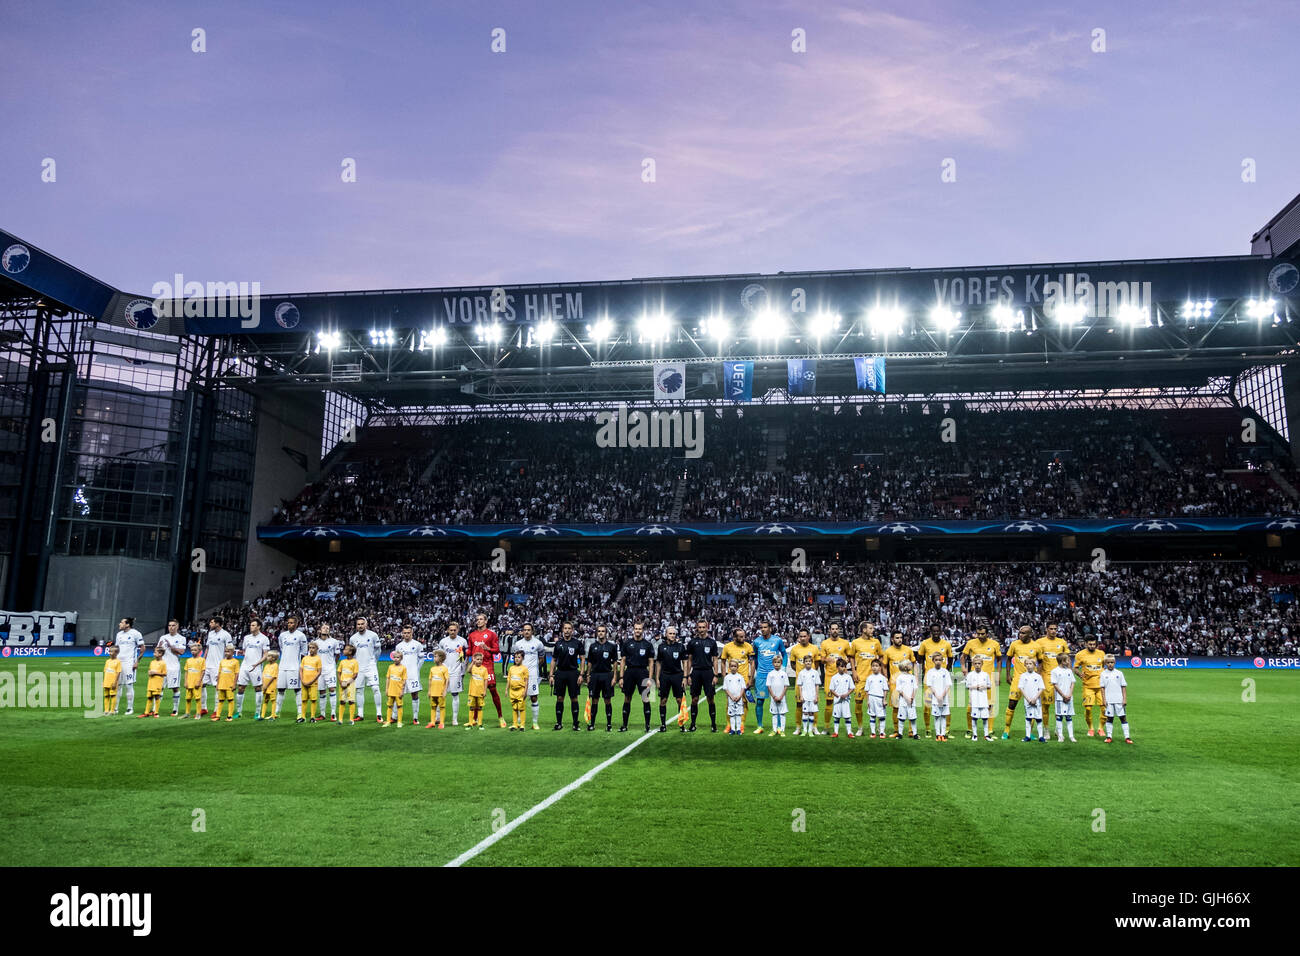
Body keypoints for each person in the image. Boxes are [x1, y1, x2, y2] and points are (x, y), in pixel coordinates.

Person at [961, 624, 1001, 739]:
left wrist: (997, 674)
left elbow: (999, 659)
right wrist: (963, 667)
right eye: (978, 634)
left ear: (987, 633)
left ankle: (990, 730)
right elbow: (963, 656)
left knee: (990, 705)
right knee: (971, 705)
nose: (980, 636)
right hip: (974, 678)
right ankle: (969, 730)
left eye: (982, 634)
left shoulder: (994, 644)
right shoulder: (971, 643)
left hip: (989, 679)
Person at [467, 613, 506, 729]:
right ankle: (474, 719)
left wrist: (488, 648)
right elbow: (470, 650)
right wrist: (462, 652)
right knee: (475, 692)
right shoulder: (472, 635)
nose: (478, 621)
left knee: (493, 689)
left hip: (487, 666)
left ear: (486, 621)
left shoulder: (491, 634)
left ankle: (500, 717)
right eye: (477, 619)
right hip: (475, 666)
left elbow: (497, 650)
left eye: (481, 619)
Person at [1002, 625, 1041, 740]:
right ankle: (1006, 730)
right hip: (1018, 679)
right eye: (1020, 633)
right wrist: (1008, 675)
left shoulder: (1036, 646)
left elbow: (1041, 661)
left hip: (1031, 682)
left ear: (1030, 634)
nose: (1021, 635)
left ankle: (1030, 733)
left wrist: (1038, 675)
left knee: (1031, 706)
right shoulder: (1014, 644)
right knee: (1012, 704)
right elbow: (1008, 659)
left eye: (1024, 633)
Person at [618, 621, 655, 733]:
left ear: (642, 630)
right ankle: (624, 725)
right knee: (627, 698)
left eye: (640, 629)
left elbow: (651, 663)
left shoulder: (648, 645)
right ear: (633, 629)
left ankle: (647, 726)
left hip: (643, 672)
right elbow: (623, 661)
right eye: (636, 628)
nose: (638, 630)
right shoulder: (627, 643)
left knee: (645, 698)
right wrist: (621, 677)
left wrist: (650, 678)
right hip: (629, 672)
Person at [918, 624, 954, 738]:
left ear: (941, 631)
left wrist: (945, 671)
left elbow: (951, 658)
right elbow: (920, 658)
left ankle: (946, 730)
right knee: (928, 704)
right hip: (930, 679)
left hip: (942, 680)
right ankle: (928, 729)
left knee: (945, 704)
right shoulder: (925, 643)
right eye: (934, 631)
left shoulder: (946, 644)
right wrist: (925, 670)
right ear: (931, 632)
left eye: (938, 631)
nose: (936, 633)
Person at [849, 623, 884, 736]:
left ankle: (879, 727)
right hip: (860, 678)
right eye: (870, 628)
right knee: (858, 702)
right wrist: (854, 671)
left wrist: (881, 672)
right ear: (864, 630)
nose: (872, 630)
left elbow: (881, 656)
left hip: (874, 679)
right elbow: (851, 657)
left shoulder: (876, 642)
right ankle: (860, 728)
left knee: (877, 704)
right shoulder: (855, 642)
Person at [751, 619, 785, 735]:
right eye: (761, 627)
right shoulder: (756, 642)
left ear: (770, 628)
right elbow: (754, 657)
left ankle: (778, 727)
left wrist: (783, 667)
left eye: (765, 627)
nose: (763, 629)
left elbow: (784, 654)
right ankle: (760, 726)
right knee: (759, 701)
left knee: (777, 701)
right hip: (761, 676)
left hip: (774, 676)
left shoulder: (777, 640)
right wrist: (757, 670)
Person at [549, 621, 585, 731]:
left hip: (573, 673)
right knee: (560, 698)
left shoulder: (577, 643)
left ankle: (575, 724)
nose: (567, 630)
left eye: (569, 628)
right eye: (565, 628)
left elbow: (583, 658)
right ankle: (559, 723)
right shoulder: (558, 643)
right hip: (560, 673)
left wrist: (581, 674)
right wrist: (551, 675)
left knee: (574, 698)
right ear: (562, 630)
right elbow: (554, 660)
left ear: (572, 630)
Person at [685, 619, 720, 733]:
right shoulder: (692, 642)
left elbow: (715, 659)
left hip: (708, 672)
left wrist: (715, 674)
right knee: (694, 699)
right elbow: (689, 659)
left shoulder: (712, 642)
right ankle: (693, 724)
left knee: (710, 698)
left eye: (703, 627)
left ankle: (713, 724)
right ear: (697, 628)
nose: (701, 629)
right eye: (699, 627)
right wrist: (688, 675)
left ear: (707, 627)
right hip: (695, 672)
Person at [1035, 623, 1069, 736]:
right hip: (1046, 677)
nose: (1053, 631)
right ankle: (1046, 729)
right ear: (1046, 629)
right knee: (1045, 705)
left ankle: (1058, 729)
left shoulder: (1062, 642)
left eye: (1055, 629)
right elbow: (1036, 659)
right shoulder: (1039, 642)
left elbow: (1067, 659)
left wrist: (1068, 673)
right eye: (1051, 629)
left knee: (1060, 704)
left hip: (1061, 678)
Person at [818, 622, 852, 734]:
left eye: (836, 629)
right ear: (829, 630)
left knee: (845, 701)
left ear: (839, 630)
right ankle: (827, 728)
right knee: (829, 702)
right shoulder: (824, 643)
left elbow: (850, 657)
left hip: (843, 677)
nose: (834, 631)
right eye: (832, 629)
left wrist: (847, 662)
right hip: (829, 677)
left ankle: (848, 729)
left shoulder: (845, 643)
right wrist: (826, 660)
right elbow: (821, 659)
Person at [583, 626, 619, 732]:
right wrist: (588, 675)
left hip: (607, 675)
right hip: (595, 676)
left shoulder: (612, 646)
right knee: (594, 700)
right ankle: (592, 724)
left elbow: (615, 662)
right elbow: (589, 662)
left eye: (603, 631)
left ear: (606, 633)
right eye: (599, 631)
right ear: (597, 633)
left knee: (607, 700)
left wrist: (615, 676)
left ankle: (609, 724)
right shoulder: (593, 646)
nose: (601, 633)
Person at [349, 617, 384, 723]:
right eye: (358, 624)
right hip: (358, 668)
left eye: (362, 624)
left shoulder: (373, 635)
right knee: (359, 690)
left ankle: (379, 714)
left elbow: (378, 650)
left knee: (375, 688)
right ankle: (360, 714)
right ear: (356, 625)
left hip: (370, 666)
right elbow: (352, 653)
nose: (360, 626)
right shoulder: (353, 638)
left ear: (366, 624)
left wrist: (373, 661)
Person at [788, 628, 822, 735]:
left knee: (813, 706)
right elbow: (793, 664)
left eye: (804, 636)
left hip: (812, 685)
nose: (802, 638)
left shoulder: (814, 648)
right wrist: (800, 673)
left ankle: (814, 727)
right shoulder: (794, 649)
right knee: (799, 705)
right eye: (800, 636)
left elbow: (816, 664)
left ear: (809, 636)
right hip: (800, 684)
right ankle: (798, 727)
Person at [235, 618, 270, 720]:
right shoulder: (246, 638)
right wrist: (243, 653)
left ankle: (257, 712)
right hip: (245, 666)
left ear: (259, 626)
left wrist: (257, 663)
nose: (251, 627)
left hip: (256, 667)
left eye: (254, 625)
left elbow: (266, 654)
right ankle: (239, 711)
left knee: (258, 688)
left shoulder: (264, 638)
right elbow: (245, 651)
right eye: (251, 625)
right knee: (241, 687)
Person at [654, 625, 686, 732]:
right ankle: (663, 725)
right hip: (665, 676)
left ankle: (682, 725)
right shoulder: (661, 647)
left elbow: (685, 662)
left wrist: (685, 677)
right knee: (663, 700)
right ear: (666, 634)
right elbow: (658, 663)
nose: (672, 635)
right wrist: (657, 678)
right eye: (670, 633)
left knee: (679, 700)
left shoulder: (680, 647)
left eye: (674, 634)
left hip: (677, 675)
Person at [514, 623, 546, 730]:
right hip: (520, 675)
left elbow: (542, 657)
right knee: (519, 698)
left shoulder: (538, 643)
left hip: (532, 675)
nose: (526, 632)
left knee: (533, 697)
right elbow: (516, 659)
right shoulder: (518, 644)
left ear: (532, 631)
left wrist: (535, 668)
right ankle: (518, 721)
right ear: (522, 631)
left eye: (528, 630)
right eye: (524, 630)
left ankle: (535, 722)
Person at [883, 631, 916, 737]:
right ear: (892, 639)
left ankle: (911, 731)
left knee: (910, 705)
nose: (899, 640)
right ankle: (896, 731)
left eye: (901, 637)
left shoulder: (908, 650)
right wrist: (886, 678)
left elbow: (914, 664)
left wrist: (915, 677)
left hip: (908, 685)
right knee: (896, 707)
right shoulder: (888, 651)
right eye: (897, 638)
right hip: (894, 684)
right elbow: (884, 666)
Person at [110, 618, 145, 715]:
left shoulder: (136, 633)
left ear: (127, 624)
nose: (119, 624)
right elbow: (117, 648)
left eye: (121, 622)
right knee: (118, 685)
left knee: (129, 685)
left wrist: (137, 661)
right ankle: (115, 708)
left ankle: (130, 708)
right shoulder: (119, 634)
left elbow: (142, 648)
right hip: (119, 662)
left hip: (129, 662)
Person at [201, 617, 235, 717]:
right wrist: (203, 659)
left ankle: (216, 710)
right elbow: (207, 647)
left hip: (218, 665)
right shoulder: (210, 633)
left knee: (217, 687)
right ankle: (203, 708)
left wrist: (226, 663)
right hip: (207, 664)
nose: (210, 624)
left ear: (218, 624)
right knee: (202, 684)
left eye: (212, 622)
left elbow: (230, 649)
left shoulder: (226, 635)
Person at [275, 614, 306, 722]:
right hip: (283, 666)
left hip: (294, 667)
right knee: (280, 689)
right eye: (288, 623)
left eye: (292, 623)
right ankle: (277, 712)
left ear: (297, 624)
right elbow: (282, 648)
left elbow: (303, 653)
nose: (289, 624)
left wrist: (301, 667)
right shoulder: (282, 635)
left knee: (297, 690)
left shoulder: (301, 636)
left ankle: (300, 713)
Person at [438, 620, 469, 727]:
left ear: (458, 630)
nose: (452, 632)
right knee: (440, 694)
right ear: (447, 630)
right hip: (444, 672)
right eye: (451, 630)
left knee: (455, 694)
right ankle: (438, 717)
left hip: (456, 671)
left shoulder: (463, 641)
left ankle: (454, 719)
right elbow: (439, 656)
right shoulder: (443, 642)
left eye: (454, 630)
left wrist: (463, 671)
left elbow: (465, 658)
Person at [393, 625, 426, 726]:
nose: (406, 635)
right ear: (402, 634)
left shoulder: (417, 645)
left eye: (408, 633)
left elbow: (422, 658)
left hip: (413, 674)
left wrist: (417, 669)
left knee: (414, 694)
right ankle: (394, 716)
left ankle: (415, 718)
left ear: (412, 633)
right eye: (404, 633)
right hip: (400, 674)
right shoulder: (399, 646)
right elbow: (396, 659)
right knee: (398, 694)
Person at [1074, 637, 1106, 737]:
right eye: (1090, 644)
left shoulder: (1101, 653)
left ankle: (1101, 728)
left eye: (1093, 644)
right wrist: (1079, 674)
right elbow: (1075, 668)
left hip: (1101, 686)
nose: (1092, 646)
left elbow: (1104, 666)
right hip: (1088, 686)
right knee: (1088, 708)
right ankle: (1091, 728)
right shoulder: (1080, 654)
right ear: (1086, 644)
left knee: (1104, 708)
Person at [1098, 655, 1133, 744]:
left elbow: (1123, 687)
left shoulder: (1119, 673)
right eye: (1108, 662)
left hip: (1119, 700)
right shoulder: (1103, 674)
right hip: (1109, 700)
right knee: (1109, 718)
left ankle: (1127, 737)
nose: (1110, 664)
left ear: (1115, 663)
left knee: (1123, 718)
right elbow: (1102, 688)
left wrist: (1124, 699)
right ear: (1105, 663)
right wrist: (1104, 699)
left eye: (1112, 662)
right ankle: (1109, 736)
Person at [157, 619, 187, 717]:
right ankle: (155, 709)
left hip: (174, 666)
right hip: (162, 666)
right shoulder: (163, 637)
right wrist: (160, 648)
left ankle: (175, 709)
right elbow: (157, 651)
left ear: (177, 627)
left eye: (173, 625)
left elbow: (181, 652)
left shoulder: (181, 638)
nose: (171, 627)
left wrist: (171, 646)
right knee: (159, 688)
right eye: (169, 625)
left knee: (175, 688)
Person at [314, 622, 342, 722]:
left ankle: (333, 713)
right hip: (319, 670)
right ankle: (322, 714)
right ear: (320, 630)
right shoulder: (315, 642)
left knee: (332, 689)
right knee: (321, 691)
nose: (325, 629)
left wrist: (333, 664)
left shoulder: (334, 641)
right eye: (324, 627)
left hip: (330, 670)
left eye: (327, 628)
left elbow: (337, 654)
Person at [924, 652, 953, 741]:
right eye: (936, 660)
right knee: (937, 717)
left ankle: (943, 734)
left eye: (940, 660)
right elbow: (930, 685)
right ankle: (937, 734)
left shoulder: (945, 672)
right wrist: (937, 695)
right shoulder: (930, 672)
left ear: (942, 660)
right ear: (933, 661)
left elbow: (948, 685)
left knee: (943, 716)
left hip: (944, 699)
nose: (938, 662)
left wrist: (942, 695)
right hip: (935, 699)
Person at [964, 656, 993, 741]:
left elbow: (989, 686)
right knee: (974, 718)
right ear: (973, 664)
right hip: (975, 700)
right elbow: (967, 686)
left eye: (979, 663)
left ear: (982, 664)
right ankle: (975, 735)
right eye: (975, 663)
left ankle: (986, 735)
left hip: (983, 700)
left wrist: (985, 686)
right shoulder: (970, 675)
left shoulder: (985, 674)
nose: (977, 665)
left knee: (985, 718)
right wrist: (975, 687)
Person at [1050, 653, 1077, 742]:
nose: (1069, 661)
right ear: (1062, 661)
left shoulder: (1069, 671)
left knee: (1069, 717)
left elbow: (1073, 682)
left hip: (1069, 698)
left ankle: (1071, 736)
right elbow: (1055, 685)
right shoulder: (1055, 671)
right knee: (1059, 717)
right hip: (1059, 699)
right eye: (1067, 660)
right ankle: (1060, 735)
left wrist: (1069, 694)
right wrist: (1063, 695)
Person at [1018, 659, 1046, 742]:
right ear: (1025, 665)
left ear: (1034, 665)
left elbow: (1041, 688)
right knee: (1028, 718)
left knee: (1038, 718)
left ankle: (1041, 736)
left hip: (1037, 701)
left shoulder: (1038, 676)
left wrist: (1035, 698)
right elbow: (1021, 688)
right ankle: (1027, 736)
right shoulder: (1023, 676)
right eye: (1027, 664)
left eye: (1030, 664)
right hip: (1027, 701)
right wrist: (1028, 699)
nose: (1028, 665)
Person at [828, 658, 855, 738]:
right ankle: (836, 732)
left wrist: (847, 694)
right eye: (841, 666)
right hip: (837, 701)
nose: (843, 668)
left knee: (847, 717)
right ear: (837, 667)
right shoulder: (834, 678)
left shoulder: (848, 677)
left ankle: (849, 732)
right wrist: (837, 695)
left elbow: (852, 688)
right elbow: (831, 689)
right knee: (837, 717)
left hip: (846, 700)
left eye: (844, 666)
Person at [795, 653, 821, 737]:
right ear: (804, 662)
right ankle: (804, 730)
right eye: (806, 661)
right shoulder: (801, 673)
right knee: (805, 713)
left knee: (811, 713)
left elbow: (817, 685)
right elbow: (800, 685)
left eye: (810, 661)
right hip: (805, 697)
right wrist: (801, 696)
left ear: (812, 662)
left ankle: (810, 730)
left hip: (813, 697)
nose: (808, 663)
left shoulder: (815, 673)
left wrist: (816, 696)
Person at [893, 659, 919, 739]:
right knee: (901, 718)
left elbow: (915, 687)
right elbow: (899, 689)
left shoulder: (912, 677)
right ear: (905, 667)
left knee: (913, 718)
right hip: (903, 701)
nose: (911, 665)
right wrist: (906, 697)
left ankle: (915, 734)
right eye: (909, 664)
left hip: (911, 702)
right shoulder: (900, 677)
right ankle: (900, 734)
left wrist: (912, 697)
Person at [765, 653, 789, 737]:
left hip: (782, 698)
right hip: (773, 698)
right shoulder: (770, 674)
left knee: (782, 714)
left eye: (778, 662)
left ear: (781, 663)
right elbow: (769, 686)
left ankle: (782, 730)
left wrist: (781, 696)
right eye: (775, 662)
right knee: (774, 714)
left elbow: (786, 686)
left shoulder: (784, 674)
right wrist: (774, 696)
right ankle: (774, 730)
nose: (777, 664)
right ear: (773, 663)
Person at [425, 649, 450, 729]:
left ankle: (441, 723)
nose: (434, 658)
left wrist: (445, 691)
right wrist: (429, 691)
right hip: (433, 691)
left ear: (441, 658)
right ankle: (432, 722)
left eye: (435, 656)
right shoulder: (432, 668)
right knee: (433, 707)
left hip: (440, 692)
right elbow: (430, 680)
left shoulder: (444, 669)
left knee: (441, 707)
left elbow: (447, 680)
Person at [864, 659, 889, 738]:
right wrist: (868, 701)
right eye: (873, 666)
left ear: (880, 667)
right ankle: (873, 732)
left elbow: (885, 690)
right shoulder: (869, 678)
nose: (874, 668)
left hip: (880, 699)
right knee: (872, 716)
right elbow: (867, 690)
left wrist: (884, 699)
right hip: (871, 698)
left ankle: (881, 732)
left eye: (876, 666)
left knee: (881, 716)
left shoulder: (883, 678)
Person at [214, 646, 240, 721]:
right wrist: (218, 684)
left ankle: (229, 716)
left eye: (228, 651)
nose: (226, 653)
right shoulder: (222, 661)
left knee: (230, 700)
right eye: (225, 651)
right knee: (220, 700)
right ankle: (218, 716)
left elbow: (236, 674)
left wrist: (234, 684)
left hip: (230, 684)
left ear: (232, 652)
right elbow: (219, 673)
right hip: (222, 684)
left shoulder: (235, 662)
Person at [383, 650, 408, 728]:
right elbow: (388, 678)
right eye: (395, 657)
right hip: (391, 690)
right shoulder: (390, 667)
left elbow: (404, 680)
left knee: (399, 706)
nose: (396, 659)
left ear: (401, 658)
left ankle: (399, 722)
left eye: (398, 657)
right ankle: (388, 721)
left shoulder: (403, 668)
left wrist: (402, 691)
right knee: (389, 706)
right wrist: (386, 689)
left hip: (398, 691)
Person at [180, 642, 204, 718]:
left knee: (197, 699)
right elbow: (186, 672)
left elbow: (203, 672)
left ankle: (198, 713)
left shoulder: (202, 660)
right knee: (188, 698)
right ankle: (187, 713)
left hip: (196, 683)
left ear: (199, 651)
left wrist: (199, 682)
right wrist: (185, 682)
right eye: (192, 650)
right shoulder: (188, 660)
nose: (193, 651)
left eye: (195, 650)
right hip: (189, 682)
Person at [141, 647, 166, 718]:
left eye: (155, 652)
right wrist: (149, 672)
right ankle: (146, 712)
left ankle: (156, 712)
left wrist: (155, 673)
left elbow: (164, 674)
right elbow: (150, 670)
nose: (154, 654)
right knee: (149, 697)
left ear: (160, 654)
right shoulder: (152, 662)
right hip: (151, 682)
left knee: (157, 697)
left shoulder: (163, 663)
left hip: (157, 683)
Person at [507, 650, 530, 730]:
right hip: (512, 691)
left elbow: (526, 681)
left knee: (521, 708)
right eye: (515, 657)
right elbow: (509, 680)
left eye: (519, 657)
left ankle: (522, 725)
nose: (516, 659)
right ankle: (515, 724)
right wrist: (507, 690)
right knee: (514, 708)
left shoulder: (524, 669)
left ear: (522, 658)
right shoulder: (511, 668)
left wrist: (525, 691)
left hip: (520, 690)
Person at [723, 660, 747, 735]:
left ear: (737, 667)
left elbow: (743, 687)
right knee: (732, 715)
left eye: (735, 666)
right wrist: (731, 696)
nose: (733, 668)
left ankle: (738, 729)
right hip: (731, 699)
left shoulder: (740, 677)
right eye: (732, 666)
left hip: (739, 699)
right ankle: (733, 729)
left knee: (738, 715)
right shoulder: (727, 677)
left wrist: (739, 696)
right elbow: (725, 688)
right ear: (729, 667)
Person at [301, 642, 323, 723]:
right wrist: (302, 680)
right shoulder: (305, 658)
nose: (311, 649)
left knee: (313, 700)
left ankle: (312, 717)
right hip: (304, 682)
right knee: (304, 699)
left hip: (313, 683)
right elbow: (301, 670)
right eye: (310, 647)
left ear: (317, 649)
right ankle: (303, 717)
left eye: (313, 648)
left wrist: (311, 681)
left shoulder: (318, 659)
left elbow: (319, 672)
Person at [466, 651, 489, 729]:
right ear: (474, 659)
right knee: (471, 707)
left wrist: (485, 691)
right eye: (478, 659)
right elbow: (468, 670)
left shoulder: (484, 669)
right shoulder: (472, 668)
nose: (479, 661)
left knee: (479, 708)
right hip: (472, 692)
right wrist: (472, 662)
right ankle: (470, 723)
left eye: (481, 659)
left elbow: (486, 680)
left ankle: (480, 724)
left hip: (480, 692)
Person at [338, 645, 359, 724]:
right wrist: (340, 682)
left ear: (350, 652)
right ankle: (340, 720)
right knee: (342, 701)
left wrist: (347, 682)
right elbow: (339, 672)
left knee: (351, 701)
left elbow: (355, 675)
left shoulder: (355, 662)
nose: (343, 650)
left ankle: (351, 719)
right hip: (342, 684)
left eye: (345, 649)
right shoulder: (342, 661)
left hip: (350, 684)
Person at [260, 651, 280, 719]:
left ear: (273, 658)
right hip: (265, 686)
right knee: (265, 700)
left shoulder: (275, 666)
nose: (267, 657)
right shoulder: (266, 665)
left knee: (273, 700)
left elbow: (273, 676)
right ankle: (262, 715)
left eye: (269, 656)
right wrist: (263, 684)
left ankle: (273, 715)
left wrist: (266, 685)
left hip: (271, 686)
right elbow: (263, 675)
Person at [102, 646, 121, 716]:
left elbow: (118, 672)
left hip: (113, 682)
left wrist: (115, 682)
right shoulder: (107, 661)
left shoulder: (118, 662)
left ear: (116, 653)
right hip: (106, 681)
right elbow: (105, 671)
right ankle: (106, 710)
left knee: (113, 695)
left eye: (111, 651)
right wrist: (103, 681)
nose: (109, 653)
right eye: (109, 651)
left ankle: (112, 710)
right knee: (106, 696)